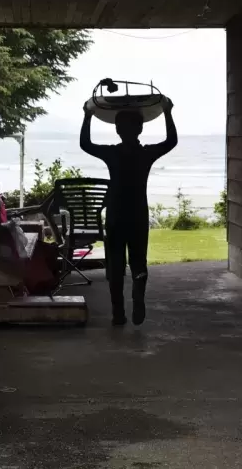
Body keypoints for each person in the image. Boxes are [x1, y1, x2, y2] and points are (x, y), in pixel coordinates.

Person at [80, 97, 178, 326]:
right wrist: (167, 112)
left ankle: (118, 313)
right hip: (138, 215)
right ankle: (138, 297)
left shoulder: (112, 153)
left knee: (115, 265)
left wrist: (87, 116)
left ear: (117, 130)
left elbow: (86, 144)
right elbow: (171, 141)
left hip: (115, 215)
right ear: (141, 128)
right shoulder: (146, 154)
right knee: (138, 262)